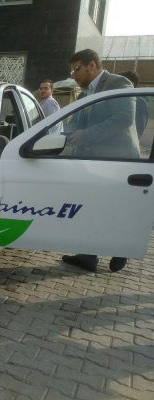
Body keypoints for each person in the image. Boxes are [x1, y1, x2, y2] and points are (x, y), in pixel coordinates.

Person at [62, 48, 138, 273]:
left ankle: (121, 249)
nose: (73, 75)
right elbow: (77, 118)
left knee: (116, 208)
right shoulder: (86, 92)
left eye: (76, 69)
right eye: (71, 71)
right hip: (92, 160)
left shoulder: (119, 83)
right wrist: (71, 131)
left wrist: (86, 135)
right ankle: (88, 256)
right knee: (92, 207)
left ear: (92, 65)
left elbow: (124, 118)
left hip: (118, 160)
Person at [118, 70, 149, 137]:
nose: (117, 86)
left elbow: (138, 128)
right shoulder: (125, 99)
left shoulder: (138, 102)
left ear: (131, 84)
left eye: (120, 82)